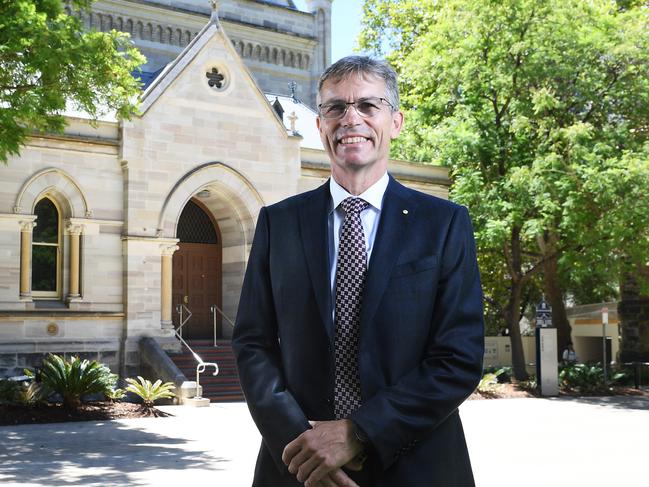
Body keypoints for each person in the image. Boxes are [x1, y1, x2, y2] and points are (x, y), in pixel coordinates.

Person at [232, 56, 485, 487]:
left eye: (368, 106)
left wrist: (358, 432)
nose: (351, 118)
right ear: (320, 126)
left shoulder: (442, 224)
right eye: (335, 107)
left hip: (418, 464)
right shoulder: (278, 223)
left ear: (396, 121)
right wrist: (302, 444)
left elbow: (458, 358)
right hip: (297, 467)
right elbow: (253, 343)